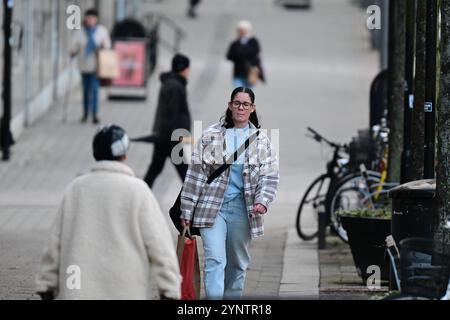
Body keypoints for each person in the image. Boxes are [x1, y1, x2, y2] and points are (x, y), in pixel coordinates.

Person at [35, 124, 181, 300]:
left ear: (95, 153)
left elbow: (54, 243)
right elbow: (159, 245)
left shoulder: (76, 189)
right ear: (124, 154)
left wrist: (47, 284)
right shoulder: (138, 191)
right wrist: (169, 289)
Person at [180, 87, 279, 300]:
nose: (241, 107)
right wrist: (186, 210)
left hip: (243, 209)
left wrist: (263, 201)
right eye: (237, 103)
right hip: (212, 208)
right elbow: (195, 175)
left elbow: (270, 176)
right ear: (229, 105)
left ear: (253, 108)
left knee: (237, 264)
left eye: (245, 104)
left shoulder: (262, 141)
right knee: (215, 260)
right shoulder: (211, 135)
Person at [143, 54, 192, 189]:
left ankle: (143, 190)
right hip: (170, 136)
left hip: (165, 135)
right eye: (188, 68)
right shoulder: (175, 87)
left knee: (155, 168)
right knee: (183, 170)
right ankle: (196, 198)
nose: (189, 72)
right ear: (183, 68)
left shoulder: (173, 83)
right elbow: (173, 113)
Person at [70, 9, 111, 124]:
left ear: (96, 19)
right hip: (83, 66)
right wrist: (72, 52)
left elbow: (108, 46)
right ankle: (85, 113)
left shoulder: (101, 31)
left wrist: (104, 45)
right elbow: (74, 46)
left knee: (94, 90)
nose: (89, 20)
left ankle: (94, 115)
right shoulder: (80, 32)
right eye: (87, 18)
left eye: (92, 18)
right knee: (85, 91)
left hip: (96, 66)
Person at [226, 21, 265, 89]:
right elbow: (229, 56)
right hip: (238, 73)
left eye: (244, 30)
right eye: (240, 30)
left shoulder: (253, 41)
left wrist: (240, 53)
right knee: (238, 92)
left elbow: (254, 52)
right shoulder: (235, 43)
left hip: (250, 72)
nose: (242, 32)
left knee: (249, 94)